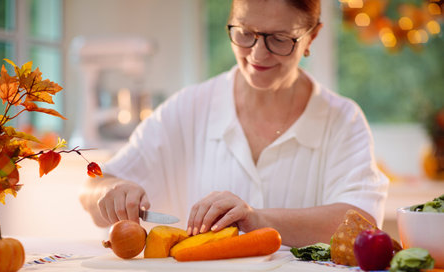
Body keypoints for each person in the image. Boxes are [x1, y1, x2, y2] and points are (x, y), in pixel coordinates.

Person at [79, 0, 388, 247]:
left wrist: (259, 221)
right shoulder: (188, 108)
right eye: (244, 33)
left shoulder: (342, 120)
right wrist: (114, 191)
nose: (257, 53)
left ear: (312, 37)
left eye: (279, 39)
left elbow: (362, 222)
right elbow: (93, 188)